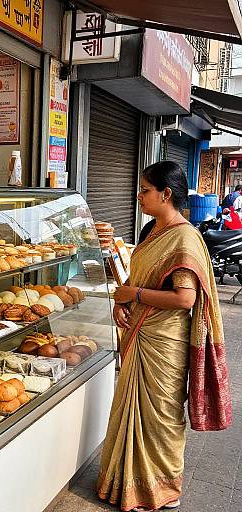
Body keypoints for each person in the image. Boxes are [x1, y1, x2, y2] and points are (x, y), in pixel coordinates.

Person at [97, 161, 232, 511]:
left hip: (164, 341)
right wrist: (122, 298)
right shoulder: (150, 232)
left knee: (161, 416)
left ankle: (162, 489)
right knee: (132, 410)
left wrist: (135, 296)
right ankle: (126, 484)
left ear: (166, 194)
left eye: (145, 190)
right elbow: (137, 276)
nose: (139, 196)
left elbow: (184, 298)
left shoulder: (185, 237)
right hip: (139, 332)